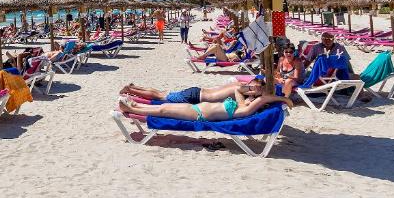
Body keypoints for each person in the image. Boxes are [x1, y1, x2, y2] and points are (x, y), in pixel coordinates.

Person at [119, 79, 290, 122]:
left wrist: (281, 98)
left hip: (198, 107)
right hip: (196, 100)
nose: (255, 92)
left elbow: (264, 99)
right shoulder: (241, 93)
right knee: (161, 100)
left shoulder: (244, 108)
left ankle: (133, 105)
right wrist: (282, 98)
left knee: (162, 104)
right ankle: (133, 102)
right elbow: (261, 97)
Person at [120, 80, 254, 104]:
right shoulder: (240, 89)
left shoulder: (238, 83)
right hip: (195, 97)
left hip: (196, 92)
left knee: (162, 93)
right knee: (160, 97)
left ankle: (135, 87)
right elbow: (243, 104)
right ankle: (130, 89)